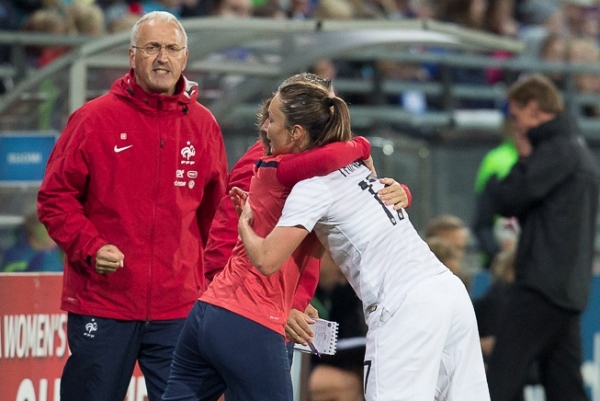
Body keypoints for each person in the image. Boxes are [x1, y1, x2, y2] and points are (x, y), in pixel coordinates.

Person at [235, 83, 489, 401]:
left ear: (296, 132)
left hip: (405, 306)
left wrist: (244, 222)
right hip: (449, 294)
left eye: (272, 119)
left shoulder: (312, 186)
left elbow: (267, 259)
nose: (264, 127)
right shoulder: (355, 164)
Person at [37, 11, 228, 401]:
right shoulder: (93, 120)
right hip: (103, 301)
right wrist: (90, 247)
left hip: (178, 306)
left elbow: (216, 218)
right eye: (152, 47)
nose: (163, 58)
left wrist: (213, 290)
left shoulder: (203, 125)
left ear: (185, 58)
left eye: (172, 48)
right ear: (131, 55)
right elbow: (55, 198)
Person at [484, 73, 600, 401]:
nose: (514, 125)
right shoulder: (575, 149)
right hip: (567, 290)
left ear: (534, 109)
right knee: (565, 387)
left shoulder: (555, 150)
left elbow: (508, 197)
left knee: (501, 381)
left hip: (541, 287)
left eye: (516, 116)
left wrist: (517, 160)